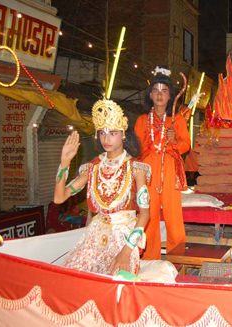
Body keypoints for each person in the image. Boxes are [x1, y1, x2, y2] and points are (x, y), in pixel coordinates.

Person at [55, 99, 151, 275]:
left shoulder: (136, 168)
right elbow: (59, 197)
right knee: (71, 276)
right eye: (102, 133)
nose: (106, 139)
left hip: (124, 238)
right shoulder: (93, 167)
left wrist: (126, 251)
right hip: (96, 235)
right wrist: (64, 163)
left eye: (112, 133)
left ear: (123, 134)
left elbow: (145, 214)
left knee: (114, 282)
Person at [135, 67, 190, 258]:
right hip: (148, 172)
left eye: (164, 90)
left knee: (174, 220)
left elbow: (186, 146)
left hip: (169, 172)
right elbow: (136, 149)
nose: (160, 95)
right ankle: (150, 261)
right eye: (156, 90)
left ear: (170, 95)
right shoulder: (142, 121)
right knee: (148, 219)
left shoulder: (178, 120)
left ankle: (176, 261)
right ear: (150, 95)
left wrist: (174, 141)